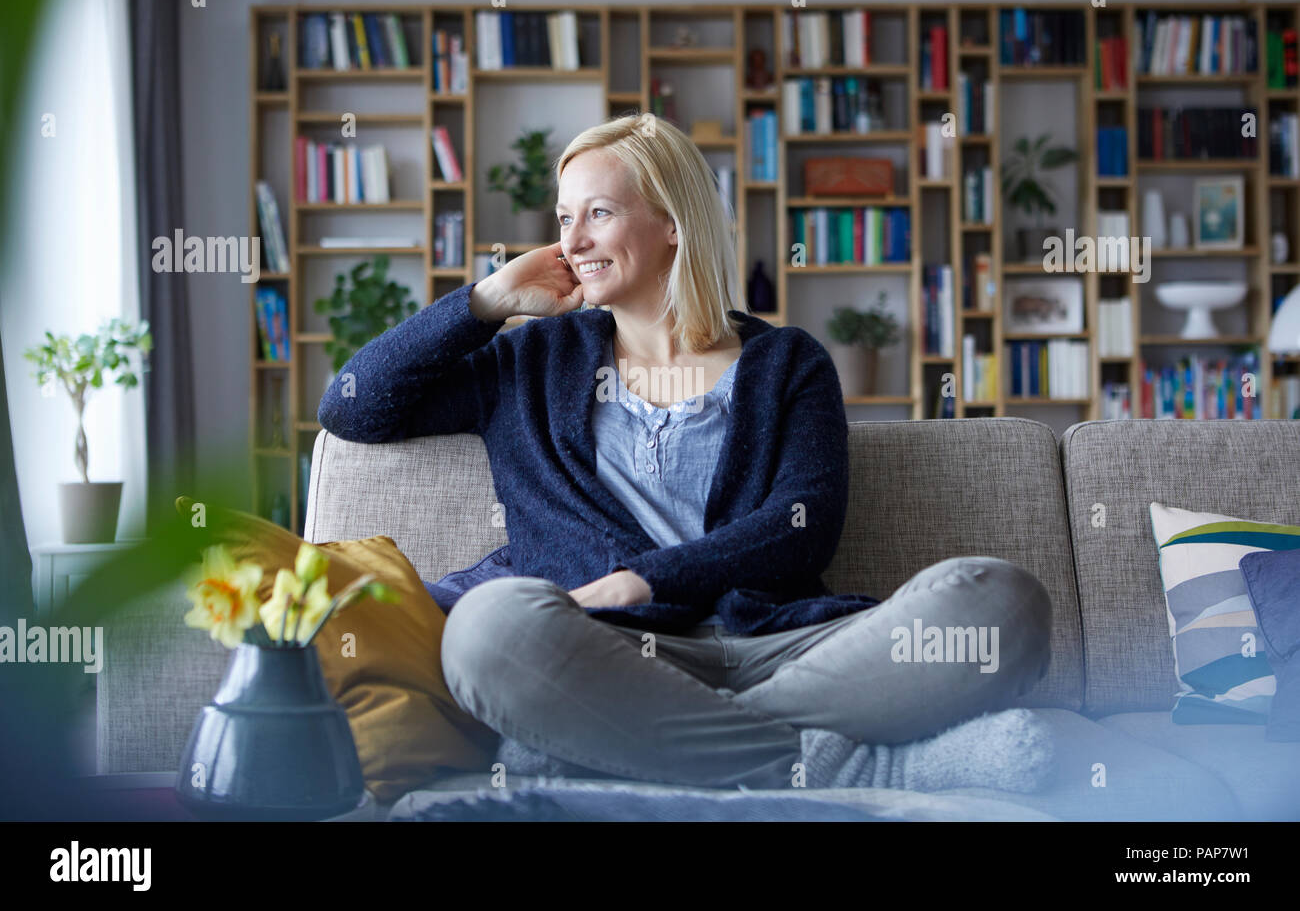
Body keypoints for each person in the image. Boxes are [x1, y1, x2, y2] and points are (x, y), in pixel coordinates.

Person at [318, 114, 1056, 793]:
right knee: (488, 631)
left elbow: (804, 522)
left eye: (598, 214)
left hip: (782, 647)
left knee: (1002, 605)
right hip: (609, 653)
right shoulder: (529, 362)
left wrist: (641, 578)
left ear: (672, 223)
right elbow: (352, 407)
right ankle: (853, 764)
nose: (571, 241)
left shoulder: (786, 363)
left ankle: (637, 740)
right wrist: (485, 302)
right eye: (564, 218)